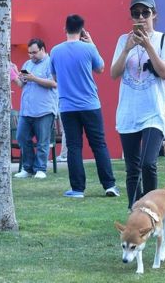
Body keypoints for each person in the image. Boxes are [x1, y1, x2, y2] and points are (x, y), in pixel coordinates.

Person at [110, 0, 165, 209]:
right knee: (132, 168)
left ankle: (150, 209)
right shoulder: (123, 40)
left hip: (154, 111)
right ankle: (134, 211)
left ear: (154, 14)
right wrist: (128, 48)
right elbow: (113, 73)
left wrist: (148, 45)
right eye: (135, 13)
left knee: (148, 163)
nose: (140, 18)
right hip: (129, 111)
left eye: (145, 13)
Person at [50, 14, 119, 198]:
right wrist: (92, 43)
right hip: (90, 105)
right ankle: (109, 185)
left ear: (65, 29)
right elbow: (101, 68)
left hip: (67, 107)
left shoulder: (55, 51)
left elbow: (55, 77)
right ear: (82, 30)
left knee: (74, 147)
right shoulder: (89, 49)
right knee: (99, 145)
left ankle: (78, 189)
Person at [13, 38, 58, 179]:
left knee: (42, 141)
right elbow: (21, 84)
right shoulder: (27, 64)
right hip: (26, 110)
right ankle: (28, 168)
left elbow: (54, 83)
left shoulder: (50, 63)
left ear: (43, 49)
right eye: (29, 53)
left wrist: (34, 78)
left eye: (34, 52)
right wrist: (15, 74)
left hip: (44, 109)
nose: (31, 56)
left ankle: (40, 169)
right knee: (21, 137)